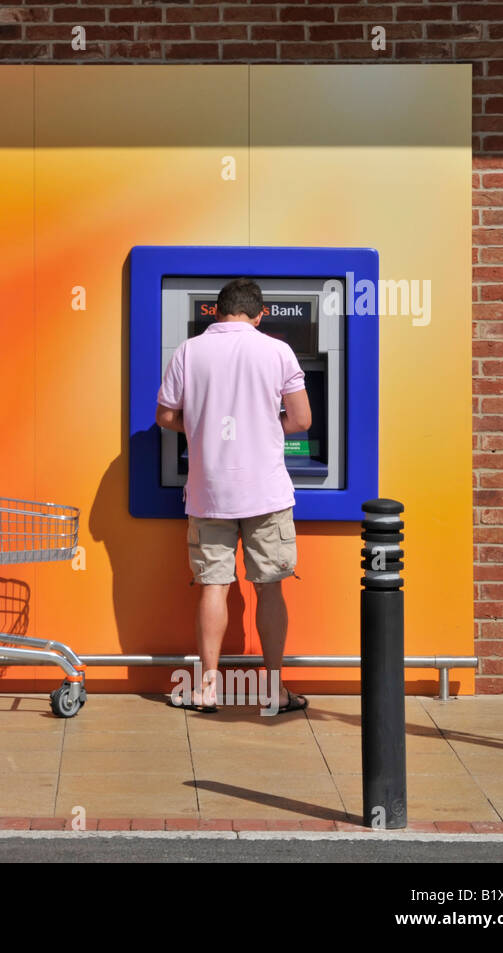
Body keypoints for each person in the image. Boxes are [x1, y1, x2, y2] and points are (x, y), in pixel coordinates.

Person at [156, 277, 310, 715]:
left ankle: (206, 688)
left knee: (212, 587)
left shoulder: (189, 350)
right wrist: (262, 428)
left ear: (216, 310)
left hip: (209, 492)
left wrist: (202, 429)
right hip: (266, 492)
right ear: (259, 314)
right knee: (271, 588)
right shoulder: (278, 350)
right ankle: (275, 690)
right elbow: (300, 420)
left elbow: (166, 414)